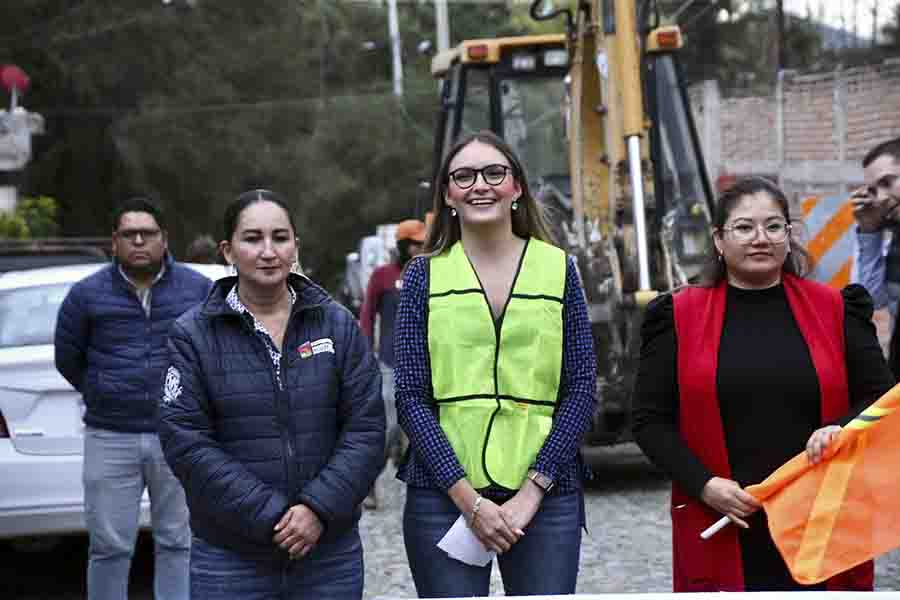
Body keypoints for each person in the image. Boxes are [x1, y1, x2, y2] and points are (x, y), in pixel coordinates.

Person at [633, 177, 894, 592]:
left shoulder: (837, 308)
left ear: (789, 237)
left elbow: (882, 401)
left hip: (821, 519)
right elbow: (649, 422)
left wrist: (841, 429)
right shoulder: (677, 317)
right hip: (723, 516)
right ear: (718, 239)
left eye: (774, 226)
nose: (761, 238)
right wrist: (704, 484)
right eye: (744, 228)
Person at [394, 130, 597, 597]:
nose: (479, 185)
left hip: (544, 496)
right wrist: (468, 501)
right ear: (447, 194)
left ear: (516, 187)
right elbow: (410, 395)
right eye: (463, 176)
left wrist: (532, 493)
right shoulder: (423, 276)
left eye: (494, 173)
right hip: (443, 494)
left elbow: (581, 387)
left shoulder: (560, 268)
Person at [158, 189, 385, 600]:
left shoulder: (337, 325)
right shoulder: (192, 334)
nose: (268, 251)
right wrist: (274, 516)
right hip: (230, 558)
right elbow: (186, 442)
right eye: (252, 238)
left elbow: (367, 429)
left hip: (328, 556)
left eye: (280, 238)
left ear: (295, 245)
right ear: (229, 250)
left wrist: (316, 509)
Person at [54, 196, 212, 600]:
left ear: (163, 239)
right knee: (109, 546)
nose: (139, 240)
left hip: (179, 436)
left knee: (179, 541)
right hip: (110, 436)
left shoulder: (199, 290)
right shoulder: (85, 295)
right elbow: (68, 358)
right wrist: (105, 390)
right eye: (129, 234)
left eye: (148, 233)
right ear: (114, 241)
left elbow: (216, 355)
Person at [359, 218, 426, 509]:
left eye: (423, 244)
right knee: (389, 427)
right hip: (389, 362)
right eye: (414, 244)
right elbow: (366, 315)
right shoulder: (382, 276)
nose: (419, 249)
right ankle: (367, 482)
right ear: (401, 246)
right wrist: (363, 354)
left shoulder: (430, 274)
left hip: (426, 363)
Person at [852, 136, 900, 377]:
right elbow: (873, 300)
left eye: (888, 182)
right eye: (873, 190)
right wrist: (870, 230)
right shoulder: (894, 235)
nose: (880, 197)